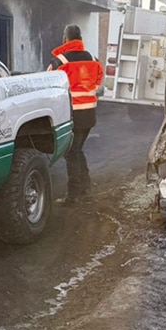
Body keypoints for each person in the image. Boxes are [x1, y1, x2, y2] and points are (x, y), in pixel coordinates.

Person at [48, 24, 104, 204]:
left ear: (65, 39)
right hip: (89, 115)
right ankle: (85, 190)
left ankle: (74, 196)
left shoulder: (60, 61)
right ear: (80, 39)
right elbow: (97, 82)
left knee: (71, 153)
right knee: (77, 150)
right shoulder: (93, 59)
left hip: (71, 115)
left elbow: (47, 85)